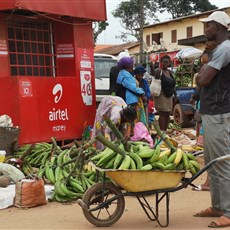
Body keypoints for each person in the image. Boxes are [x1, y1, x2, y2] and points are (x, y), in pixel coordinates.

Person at [194, 11, 230, 228]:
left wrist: (200, 75)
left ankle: (228, 210)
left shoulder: (224, 49)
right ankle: (217, 205)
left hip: (218, 113)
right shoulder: (218, 49)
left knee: (223, 163)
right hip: (212, 113)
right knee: (212, 163)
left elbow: (203, 80)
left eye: (208, 26)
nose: (205, 29)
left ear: (218, 27)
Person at [153, 55, 176, 131]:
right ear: (161, 63)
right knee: (162, 113)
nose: (165, 64)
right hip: (161, 95)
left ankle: (165, 131)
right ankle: (162, 132)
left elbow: (173, 84)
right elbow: (155, 82)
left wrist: (175, 94)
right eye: (164, 62)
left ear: (169, 63)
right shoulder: (158, 71)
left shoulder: (170, 72)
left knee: (168, 114)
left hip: (169, 95)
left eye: (167, 62)